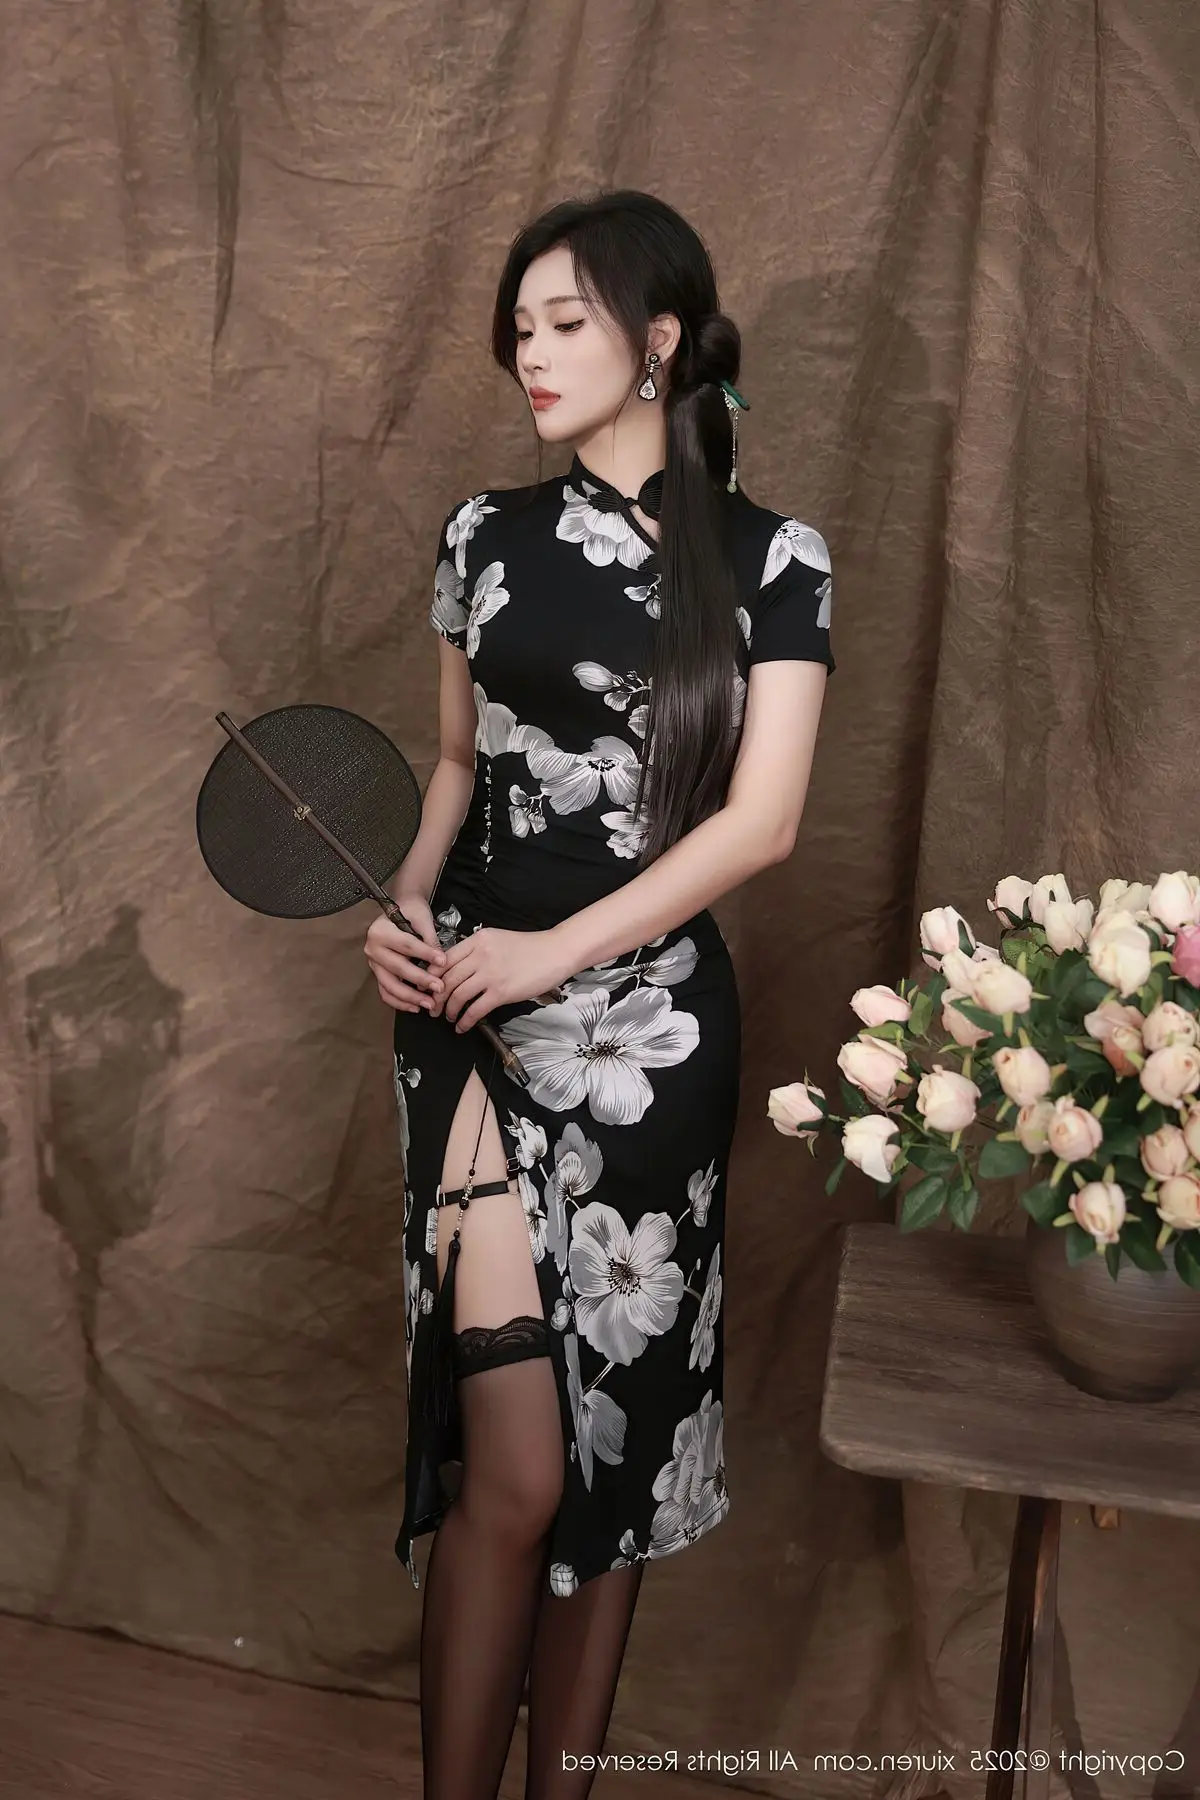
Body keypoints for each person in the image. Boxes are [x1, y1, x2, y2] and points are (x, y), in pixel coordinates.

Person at [364, 188, 834, 1800]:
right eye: (519, 329)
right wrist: (408, 901)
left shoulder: (774, 561)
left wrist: (552, 957)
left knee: (603, 1469)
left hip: (651, 1042)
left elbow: (761, 827)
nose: (532, 354)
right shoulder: (481, 538)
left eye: (566, 322)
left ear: (657, 340)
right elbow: (454, 763)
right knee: (514, 1465)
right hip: (468, 1018)